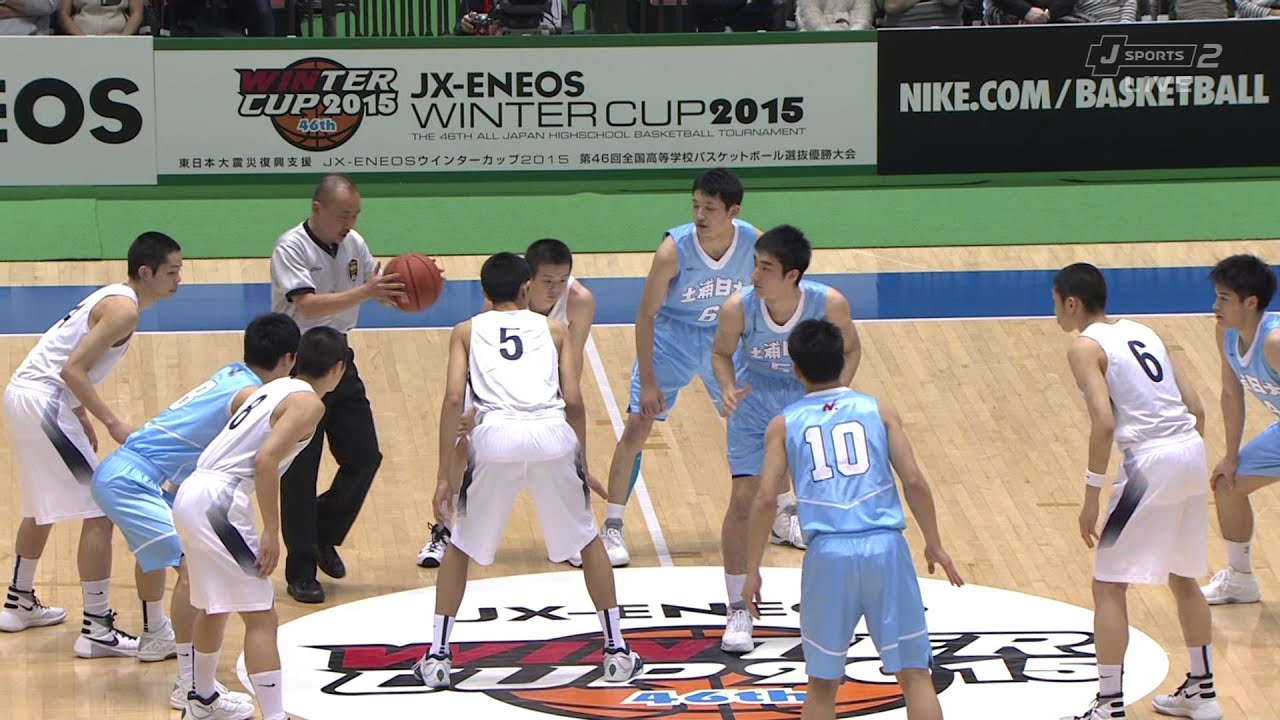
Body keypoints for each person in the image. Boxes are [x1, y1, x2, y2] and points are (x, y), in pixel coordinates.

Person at [414, 253, 643, 688]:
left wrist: (444, 474)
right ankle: (616, 650)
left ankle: (438, 656)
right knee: (588, 540)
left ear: (484, 292)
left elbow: (452, 400)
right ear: (526, 288)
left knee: (460, 545)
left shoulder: (465, 331)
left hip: (494, 436)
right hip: (551, 434)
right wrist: (581, 462)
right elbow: (573, 401)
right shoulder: (555, 330)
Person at [743, 318, 962, 720]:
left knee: (822, 683)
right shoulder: (879, 409)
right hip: (886, 548)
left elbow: (764, 500)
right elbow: (914, 480)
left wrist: (752, 568)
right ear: (842, 361)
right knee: (916, 675)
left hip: (828, 555)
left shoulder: (785, 423)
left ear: (797, 369)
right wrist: (934, 542)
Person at [89, 312, 300, 713]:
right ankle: (188, 685)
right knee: (191, 568)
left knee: (169, 554)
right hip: (134, 480)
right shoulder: (250, 397)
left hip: (132, 473)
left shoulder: (231, 373)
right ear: (289, 359)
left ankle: (156, 634)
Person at [1050, 263, 1221, 720]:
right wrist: (1183, 461)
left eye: (1056, 303)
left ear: (1072, 302)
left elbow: (1104, 423)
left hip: (1149, 464)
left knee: (1108, 583)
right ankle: (1204, 692)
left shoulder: (1084, 346)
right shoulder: (1145, 331)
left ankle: (1109, 705)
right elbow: (1197, 407)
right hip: (1190, 450)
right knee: (1183, 576)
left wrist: (1091, 496)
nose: (1056, 312)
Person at [0, 232, 182, 660]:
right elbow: (72, 369)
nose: (179, 280)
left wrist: (79, 412)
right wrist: (111, 421)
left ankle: (19, 602)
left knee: (41, 506)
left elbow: (65, 359)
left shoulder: (113, 297)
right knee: (101, 508)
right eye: (172, 272)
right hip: (45, 402)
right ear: (146, 272)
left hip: (27, 397)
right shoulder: (124, 310)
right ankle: (97, 628)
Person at [172, 327, 347, 720]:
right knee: (261, 615)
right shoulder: (309, 404)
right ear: (338, 368)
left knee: (214, 605)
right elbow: (266, 460)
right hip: (219, 502)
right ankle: (273, 715)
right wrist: (271, 530)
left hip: (195, 492)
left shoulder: (273, 388)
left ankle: (202, 700)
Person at [712, 224, 861, 653]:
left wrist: (836, 394)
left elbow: (851, 349)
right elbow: (721, 353)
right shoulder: (738, 308)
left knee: (826, 503)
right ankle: (738, 608)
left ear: (792, 275)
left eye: (766, 268)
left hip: (807, 400)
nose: (754, 276)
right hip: (754, 402)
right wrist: (726, 387)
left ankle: (833, 606)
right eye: (755, 265)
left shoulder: (829, 304)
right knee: (743, 501)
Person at [602, 167, 761, 567]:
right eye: (695, 206)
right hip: (672, 338)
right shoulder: (673, 251)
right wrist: (649, 382)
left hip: (723, 339)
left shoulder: (755, 243)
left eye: (710, 208)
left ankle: (784, 512)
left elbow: (767, 295)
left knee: (760, 423)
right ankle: (612, 526)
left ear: (733, 211)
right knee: (638, 426)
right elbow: (645, 315)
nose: (700, 215)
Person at [419, 238, 603, 569]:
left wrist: (559, 408)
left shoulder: (580, 302)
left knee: (559, 458)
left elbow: (571, 366)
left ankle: (574, 539)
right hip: (496, 391)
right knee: (463, 445)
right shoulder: (499, 304)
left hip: (544, 391)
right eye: (547, 281)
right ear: (527, 282)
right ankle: (443, 531)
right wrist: (475, 410)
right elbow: (485, 364)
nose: (555, 289)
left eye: (562, 280)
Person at [270, 173, 408, 604]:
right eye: (343, 215)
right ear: (318, 209)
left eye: (355, 215)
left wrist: (404, 289)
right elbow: (308, 304)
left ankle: (322, 531)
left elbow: (375, 289)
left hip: (339, 357)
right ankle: (301, 570)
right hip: (298, 362)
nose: (350, 223)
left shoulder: (355, 244)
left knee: (365, 456)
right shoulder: (291, 246)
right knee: (300, 470)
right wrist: (366, 291)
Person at [1201, 253, 1280, 605]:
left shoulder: (1274, 343)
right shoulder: (1226, 334)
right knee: (1227, 483)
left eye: (1223, 298)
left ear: (1251, 303)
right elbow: (1231, 394)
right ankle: (1240, 580)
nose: (1214, 306)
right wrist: (1231, 456)